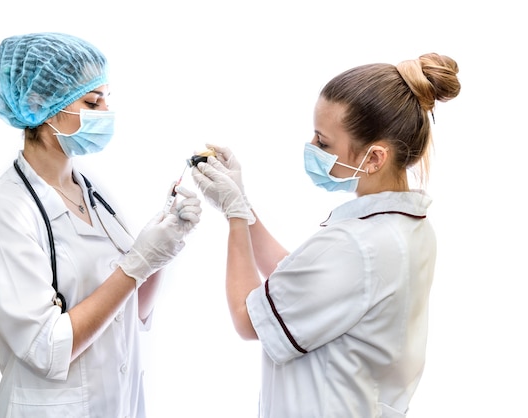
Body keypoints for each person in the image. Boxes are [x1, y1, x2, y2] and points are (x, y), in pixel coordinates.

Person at [191, 53, 460, 417]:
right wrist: (244, 204)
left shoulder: (356, 244)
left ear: (374, 158)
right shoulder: (410, 227)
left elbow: (245, 319)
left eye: (323, 142)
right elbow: (300, 280)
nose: (312, 149)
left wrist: (234, 217)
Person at [0, 32, 201, 418]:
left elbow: (132, 311)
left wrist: (164, 244)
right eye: (92, 101)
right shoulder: (3, 211)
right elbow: (46, 347)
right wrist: (138, 262)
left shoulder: (95, 195)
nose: (106, 111)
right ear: (39, 104)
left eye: (107, 98)